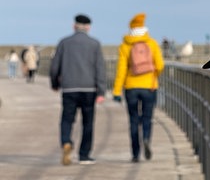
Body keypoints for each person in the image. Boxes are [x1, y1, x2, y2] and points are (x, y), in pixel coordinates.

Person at [50, 14, 106, 166]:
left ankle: (66, 142)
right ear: (88, 27)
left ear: (74, 26)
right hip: (89, 88)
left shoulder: (64, 42)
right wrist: (101, 91)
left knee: (67, 119)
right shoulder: (95, 44)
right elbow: (100, 69)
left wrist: (54, 83)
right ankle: (84, 155)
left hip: (69, 88)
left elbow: (55, 66)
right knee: (87, 122)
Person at [113, 13, 164, 163]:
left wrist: (116, 91)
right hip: (149, 87)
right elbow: (160, 65)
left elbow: (121, 70)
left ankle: (135, 153)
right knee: (147, 118)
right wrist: (154, 76)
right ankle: (146, 138)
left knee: (134, 120)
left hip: (131, 88)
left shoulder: (125, 46)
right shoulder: (152, 43)